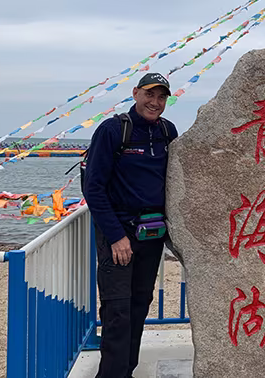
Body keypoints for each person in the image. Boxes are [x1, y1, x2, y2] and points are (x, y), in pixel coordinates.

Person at [83, 72, 178, 378]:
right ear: (136, 93)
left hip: (151, 234)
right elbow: (94, 187)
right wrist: (114, 236)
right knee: (117, 312)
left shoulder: (167, 131)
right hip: (119, 234)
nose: (155, 102)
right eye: (150, 95)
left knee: (139, 308)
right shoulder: (113, 130)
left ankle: (127, 372)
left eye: (162, 97)